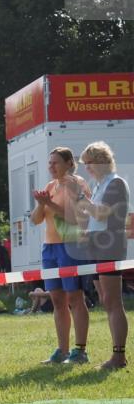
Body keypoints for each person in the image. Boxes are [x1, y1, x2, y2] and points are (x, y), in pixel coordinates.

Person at [29, 147, 92, 363]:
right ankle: (62, 350)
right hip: (50, 247)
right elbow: (35, 220)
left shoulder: (77, 184)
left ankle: (80, 351)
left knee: (75, 297)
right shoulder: (50, 186)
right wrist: (41, 204)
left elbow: (76, 218)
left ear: (68, 163)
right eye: (50, 163)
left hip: (71, 245)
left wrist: (49, 204)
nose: (51, 167)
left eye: (55, 162)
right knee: (57, 299)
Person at [73, 141, 129, 370]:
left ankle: (118, 356)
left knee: (113, 301)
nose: (87, 168)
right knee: (106, 301)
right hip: (97, 244)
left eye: (89, 163)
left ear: (101, 161)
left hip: (110, 245)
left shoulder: (115, 183)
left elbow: (102, 211)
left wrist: (83, 202)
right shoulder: (99, 185)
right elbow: (95, 216)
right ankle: (116, 354)